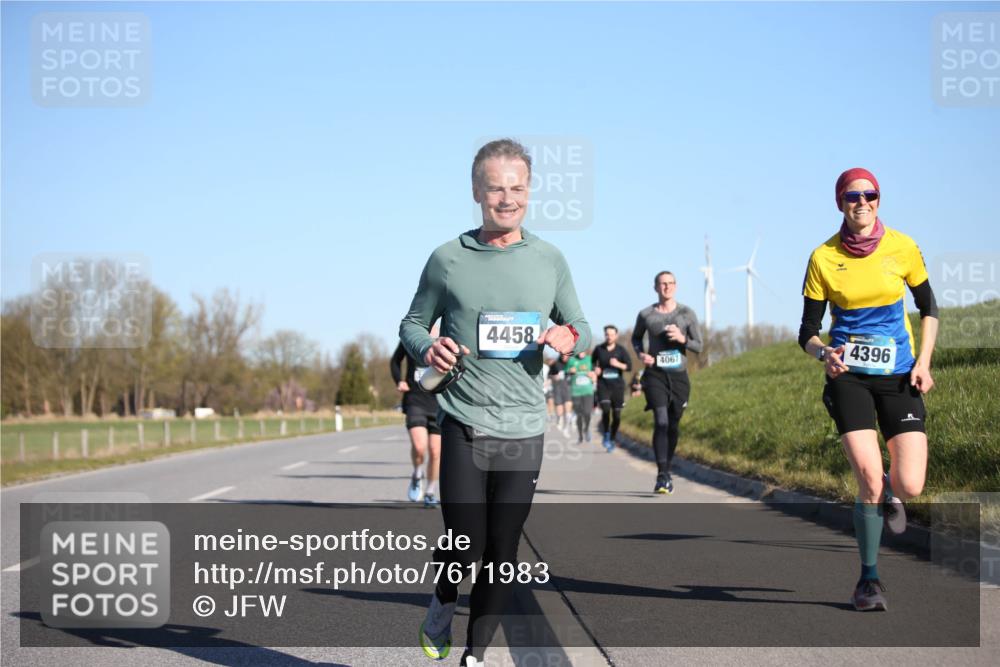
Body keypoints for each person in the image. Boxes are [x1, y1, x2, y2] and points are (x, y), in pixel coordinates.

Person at [401, 138, 590, 667]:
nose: (508, 199)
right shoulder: (447, 259)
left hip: (523, 429)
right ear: (476, 191)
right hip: (463, 422)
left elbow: (580, 322)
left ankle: (475, 657)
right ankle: (443, 597)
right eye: (496, 188)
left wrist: (569, 337)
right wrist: (428, 347)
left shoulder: (550, 260)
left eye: (518, 188)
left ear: (530, 191)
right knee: (465, 543)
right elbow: (412, 323)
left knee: (502, 553)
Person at [799, 167, 938, 612]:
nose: (862, 202)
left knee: (910, 484)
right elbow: (807, 331)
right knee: (869, 479)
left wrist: (924, 362)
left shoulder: (903, 246)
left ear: (879, 199)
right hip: (849, 377)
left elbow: (928, 307)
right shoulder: (823, 257)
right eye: (852, 196)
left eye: (870, 194)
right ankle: (869, 580)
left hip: (899, 375)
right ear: (840, 203)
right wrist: (824, 353)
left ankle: (892, 494)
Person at [632, 271, 703, 494]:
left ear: (676, 286)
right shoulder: (646, 314)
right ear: (655, 287)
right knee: (661, 421)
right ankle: (662, 475)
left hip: (679, 376)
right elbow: (636, 338)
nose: (667, 287)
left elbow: (698, 345)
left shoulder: (687, 314)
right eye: (662, 284)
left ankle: (667, 469)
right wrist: (641, 354)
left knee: (672, 424)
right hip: (655, 374)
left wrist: (682, 339)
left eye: (671, 283)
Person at [390, 337, 442, 507]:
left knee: (435, 452)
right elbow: (395, 360)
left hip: (439, 402)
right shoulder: (413, 336)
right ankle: (417, 474)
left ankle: (430, 492)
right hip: (415, 399)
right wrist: (399, 380)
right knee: (419, 447)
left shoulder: (446, 334)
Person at [591, 324, 633, 451]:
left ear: (616, 335)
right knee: (605, 410)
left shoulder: (621, 350)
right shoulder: (599, 349)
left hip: (617, 386)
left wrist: (618, 364)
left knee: (617, 416)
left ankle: (613, 437)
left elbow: (629, 367)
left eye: (611, 334)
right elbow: (592, 362)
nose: (609, 337)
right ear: (605, 335)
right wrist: (595, 369)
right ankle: (606, 434)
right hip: (603, 385)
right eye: (607, 334)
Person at [565, 349, 597, 443]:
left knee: (587, 413)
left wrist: (593, 375)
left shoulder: (590, 359)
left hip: (588, 391)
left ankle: (586, 429)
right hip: (576, 392)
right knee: (579, 414)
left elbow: (596, 372)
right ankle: (580, 436)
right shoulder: (571, 360)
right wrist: (570, 371)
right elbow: (565, 373)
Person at [549, 355, 573, 436]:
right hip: (558, 388)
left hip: (568, 388)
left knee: (568, 405)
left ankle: (567, 427)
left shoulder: (572, 362)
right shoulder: (556, 364)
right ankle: (560, 419)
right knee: (559, 406)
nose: (565, 357)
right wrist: (554, 377)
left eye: (567, 355)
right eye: (563, 355)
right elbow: (550, 375)